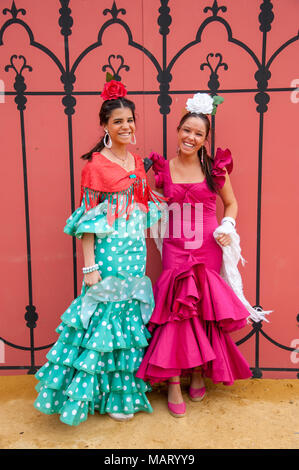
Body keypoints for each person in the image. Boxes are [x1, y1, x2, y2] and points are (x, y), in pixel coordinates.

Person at [34, 79, 163, 425]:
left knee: (126, 319)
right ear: (105, 126)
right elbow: (87, 220)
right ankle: (92, 395)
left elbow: (140, 207)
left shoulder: (136, 162)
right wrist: (89, 267)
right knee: (103, 320)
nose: (126, 126)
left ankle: (119, 394)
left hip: (134, 251)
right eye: (118, 121)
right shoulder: (94, 166)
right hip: (107, 254)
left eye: (130, 120)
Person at [136, 93, 255, 418]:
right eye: (186, 130)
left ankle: (199, 372)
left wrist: (228, 225)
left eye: (198, 133)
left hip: (207, 246)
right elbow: (156, 206)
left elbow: (230, 203)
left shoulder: (214, 169)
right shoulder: (164, 169)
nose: (191, 137)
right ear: (178, 130)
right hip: (176, 247)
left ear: (205, 139)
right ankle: (174, 381)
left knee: (202, 310)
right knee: (176, 312)